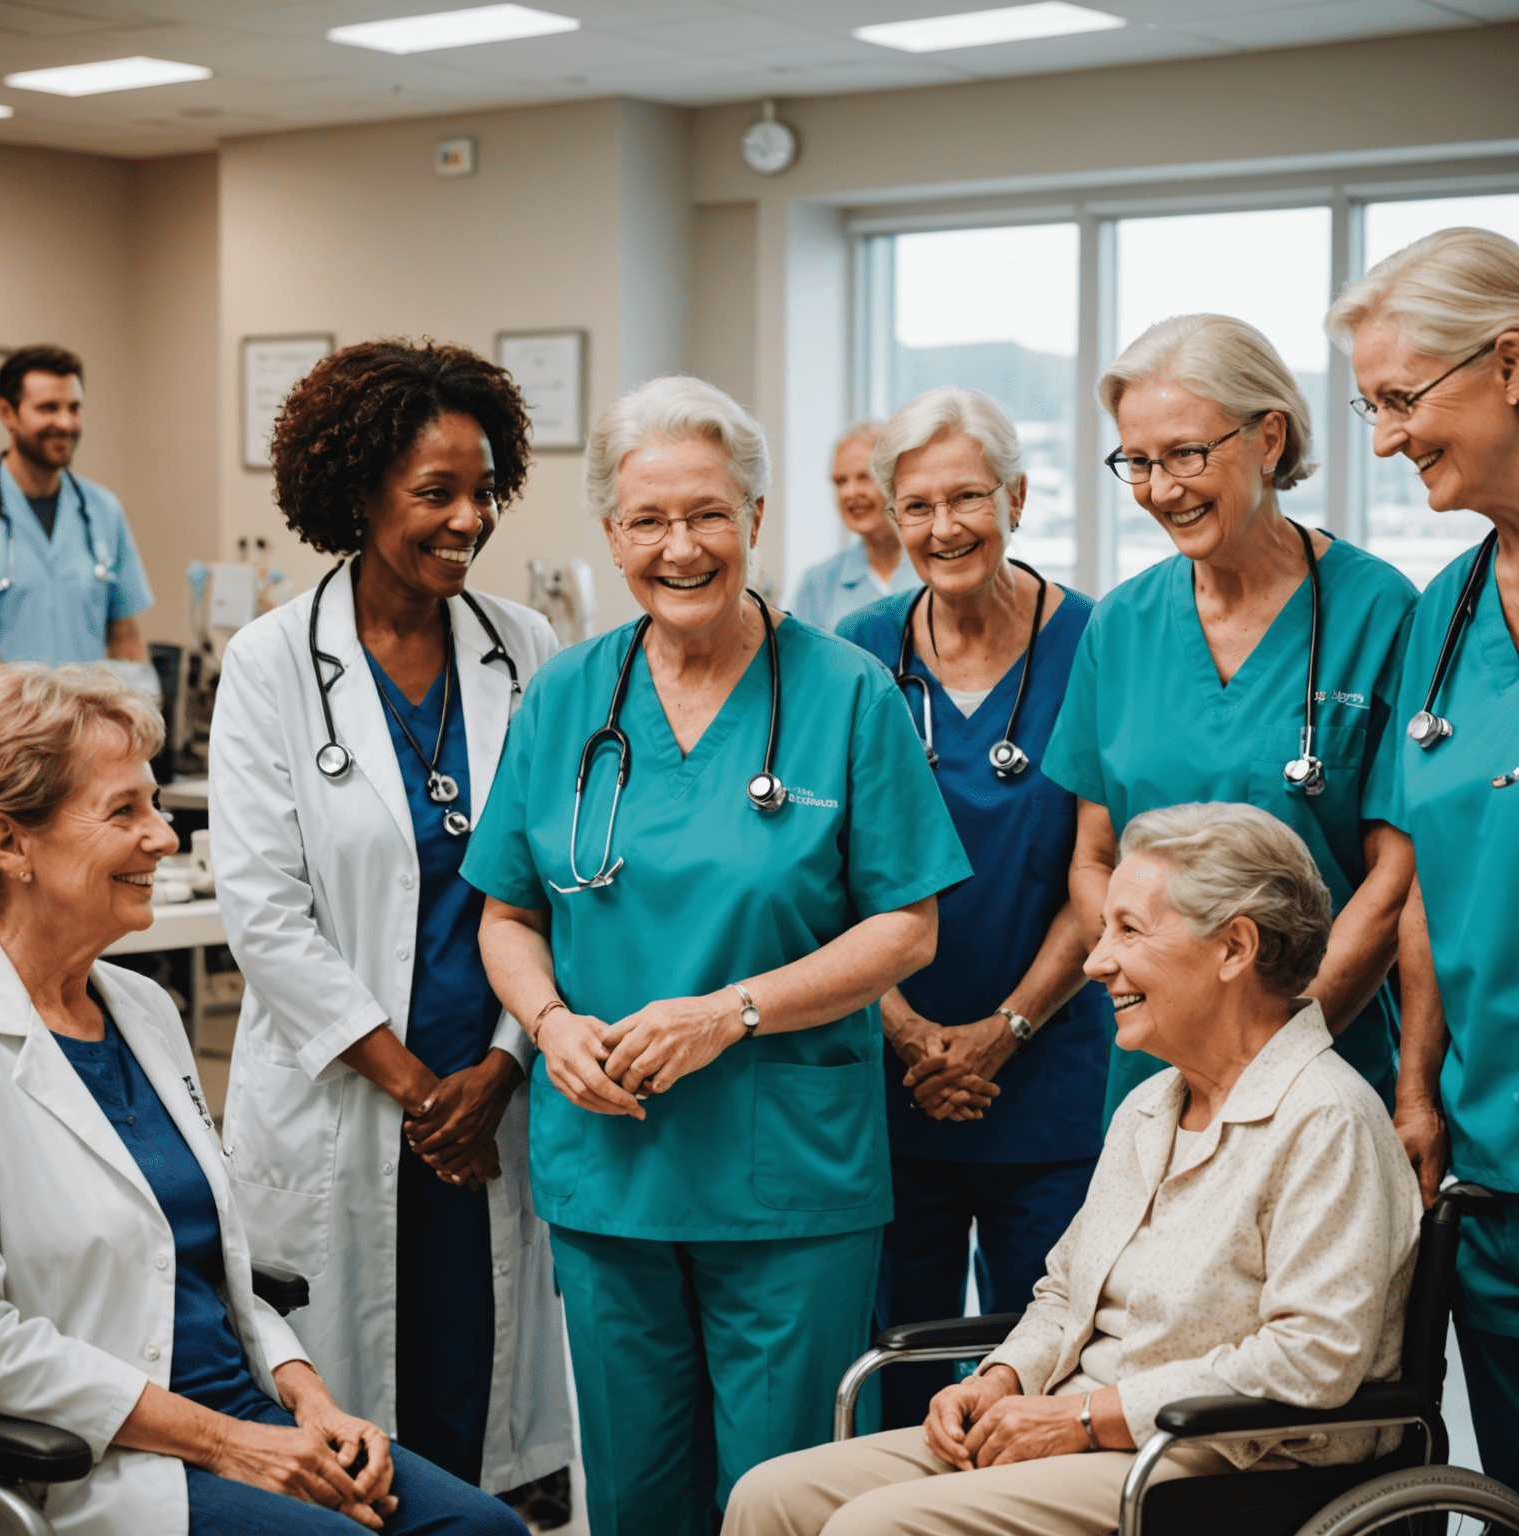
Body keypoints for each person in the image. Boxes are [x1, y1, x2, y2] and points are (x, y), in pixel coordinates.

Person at [461, 375, 973, 1536]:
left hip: (786, 1176)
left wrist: (727, 1013)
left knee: (778, 1495)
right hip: (612, 1164)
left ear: (754, 518)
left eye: (707, 515)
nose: (679, 547)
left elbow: (909, 924)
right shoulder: (564, 698)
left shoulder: (846, 693)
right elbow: (507, 914)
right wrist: (547, 1025)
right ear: (611, 536)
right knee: (635, 1497)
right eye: (648, 521)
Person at [724, 801, 1423, 1536]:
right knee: (773, 1496)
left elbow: (1311, 1361)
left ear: (1234, 947)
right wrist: (1003, 1377)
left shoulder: (1327, 1118)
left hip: (1230, 1455)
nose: (1096, 963)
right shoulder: (1153, 1105)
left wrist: (1084, 1416)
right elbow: (1066, 1292)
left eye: (1128, 930)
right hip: (1087, 1420)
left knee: (875, 1529)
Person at [0, 661, 524, 1536]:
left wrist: (312, 1404)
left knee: (484, 1529)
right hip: (107, 1458)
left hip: (250, 1415)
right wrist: (229, 1445)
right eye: (124, 811)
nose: (165, 837)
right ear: (9, 843)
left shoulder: (145, 1012)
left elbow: (222, 1271)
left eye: (155, 804)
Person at [208, 341, 572, 1496]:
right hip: (358, 1099)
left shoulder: (529, 650)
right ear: (358, 491)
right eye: (436, 494)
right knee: (354, 1424)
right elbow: (264, 916)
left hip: (492, 1101)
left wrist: (501, 1073)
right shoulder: (270, 662)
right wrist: (424, 1093)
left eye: (484, 491)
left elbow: (558, 884)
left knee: (475, 1396)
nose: (469, 518)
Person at [1046, 314, 1417, 1126]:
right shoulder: (1122, 625)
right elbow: (1094, 855)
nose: (1160, 488)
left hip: (1324, 1064)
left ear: (1269, 437)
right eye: (1137, 463)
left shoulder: (1379, 610)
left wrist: (1273, 1052)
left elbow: (1395, 872)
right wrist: (1141, 989)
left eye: (1184, 453)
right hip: (1155, 1075)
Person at [837, 387, 1113, 1430]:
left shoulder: (1095, 640)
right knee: (896, 1362)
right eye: (916, 506)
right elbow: (828, 872)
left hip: (1045, 1078)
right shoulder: (857, 649)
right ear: (887, 515)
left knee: (1038, 1363)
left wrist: (1003, 1034)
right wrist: (907, 1034)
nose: (944, 527)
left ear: (1018, 495)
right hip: (890, 1073)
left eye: (968, 498)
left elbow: (1106, 868)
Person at [1326, 225, 1519, 1487]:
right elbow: (1423, 892)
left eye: (1402, 400)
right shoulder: (1444, 615)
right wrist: (1415, 1093)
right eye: (1371, 409)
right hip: (1497, 1172)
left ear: (1511, 363)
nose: (1387, 439)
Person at [0, 345, 153, 668]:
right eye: (48, 408)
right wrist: (28, 708)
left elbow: (124, 633)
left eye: (73, 408)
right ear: (7, 413)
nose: (65, 422)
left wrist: (137, 701)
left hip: (82, 715)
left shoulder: (103, 510)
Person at [791, 418, 921, 631]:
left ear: (896, 479)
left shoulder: (936, 566)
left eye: (864, 477)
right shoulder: (817, 585)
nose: (850, 493)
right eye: (840, 481)